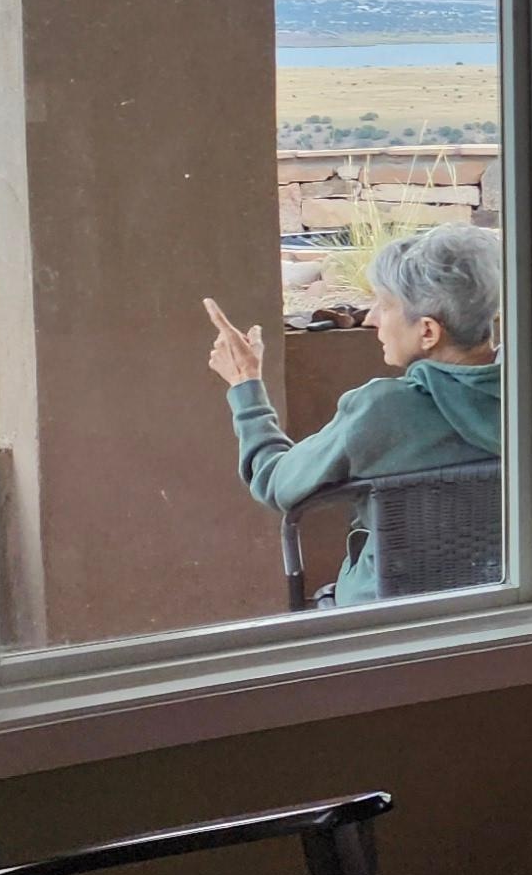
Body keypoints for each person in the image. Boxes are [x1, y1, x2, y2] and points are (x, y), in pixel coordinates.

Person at [205, 223, 504, 606]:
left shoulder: (383, 413)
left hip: (381, 621)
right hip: (502, 609)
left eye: (385, 305)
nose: (370, 318)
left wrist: (246, 386)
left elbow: (273, 482)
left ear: (428, 331)